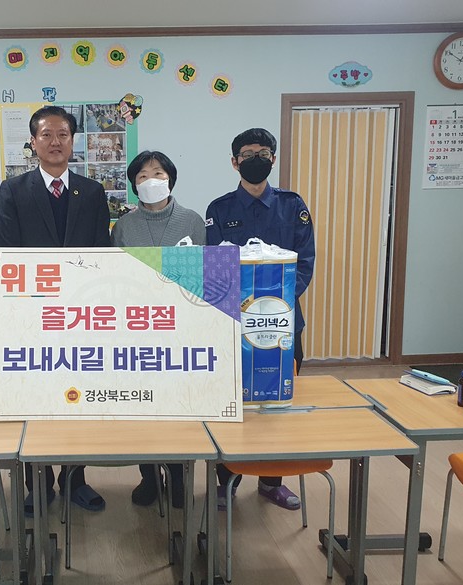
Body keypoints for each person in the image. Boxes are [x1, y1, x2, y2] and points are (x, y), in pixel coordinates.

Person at [0, 105, 110, 516]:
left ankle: (76, 479)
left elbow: (101, 251)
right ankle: (38, 483)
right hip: (32, 311)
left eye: (63, 134)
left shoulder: (92, 192)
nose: (55, 141)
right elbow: (8, 252)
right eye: (46, 134)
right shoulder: (13, 190)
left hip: (81, 314)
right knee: (37, 398)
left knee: (77, 397)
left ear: (73, 141)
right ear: (33, 142)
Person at [205, 128, 315, 511]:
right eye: (248, 153)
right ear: (235, 162)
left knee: (277, 404)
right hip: (233, 325)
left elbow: (304, 262)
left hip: (281, 324)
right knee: (231, 403)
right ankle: (227, 481)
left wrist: (276, 301)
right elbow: (215, 266)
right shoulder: (219, 210)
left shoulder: (292, 206)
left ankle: (271, 481)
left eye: (263, 153)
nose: (256, 159)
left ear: (273, 159)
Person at [111, 150, 205, 509]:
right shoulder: (124, 226)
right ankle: (149, 476)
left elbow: (204, 276)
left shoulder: (193, 221)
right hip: (136, 330)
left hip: (181, 329)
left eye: (159, 174)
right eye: (143, 176)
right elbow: (116, 277)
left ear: (171, 179)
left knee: (180, 408)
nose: (151, 181)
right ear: (134, 185)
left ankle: (180, 477)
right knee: (143, 407)